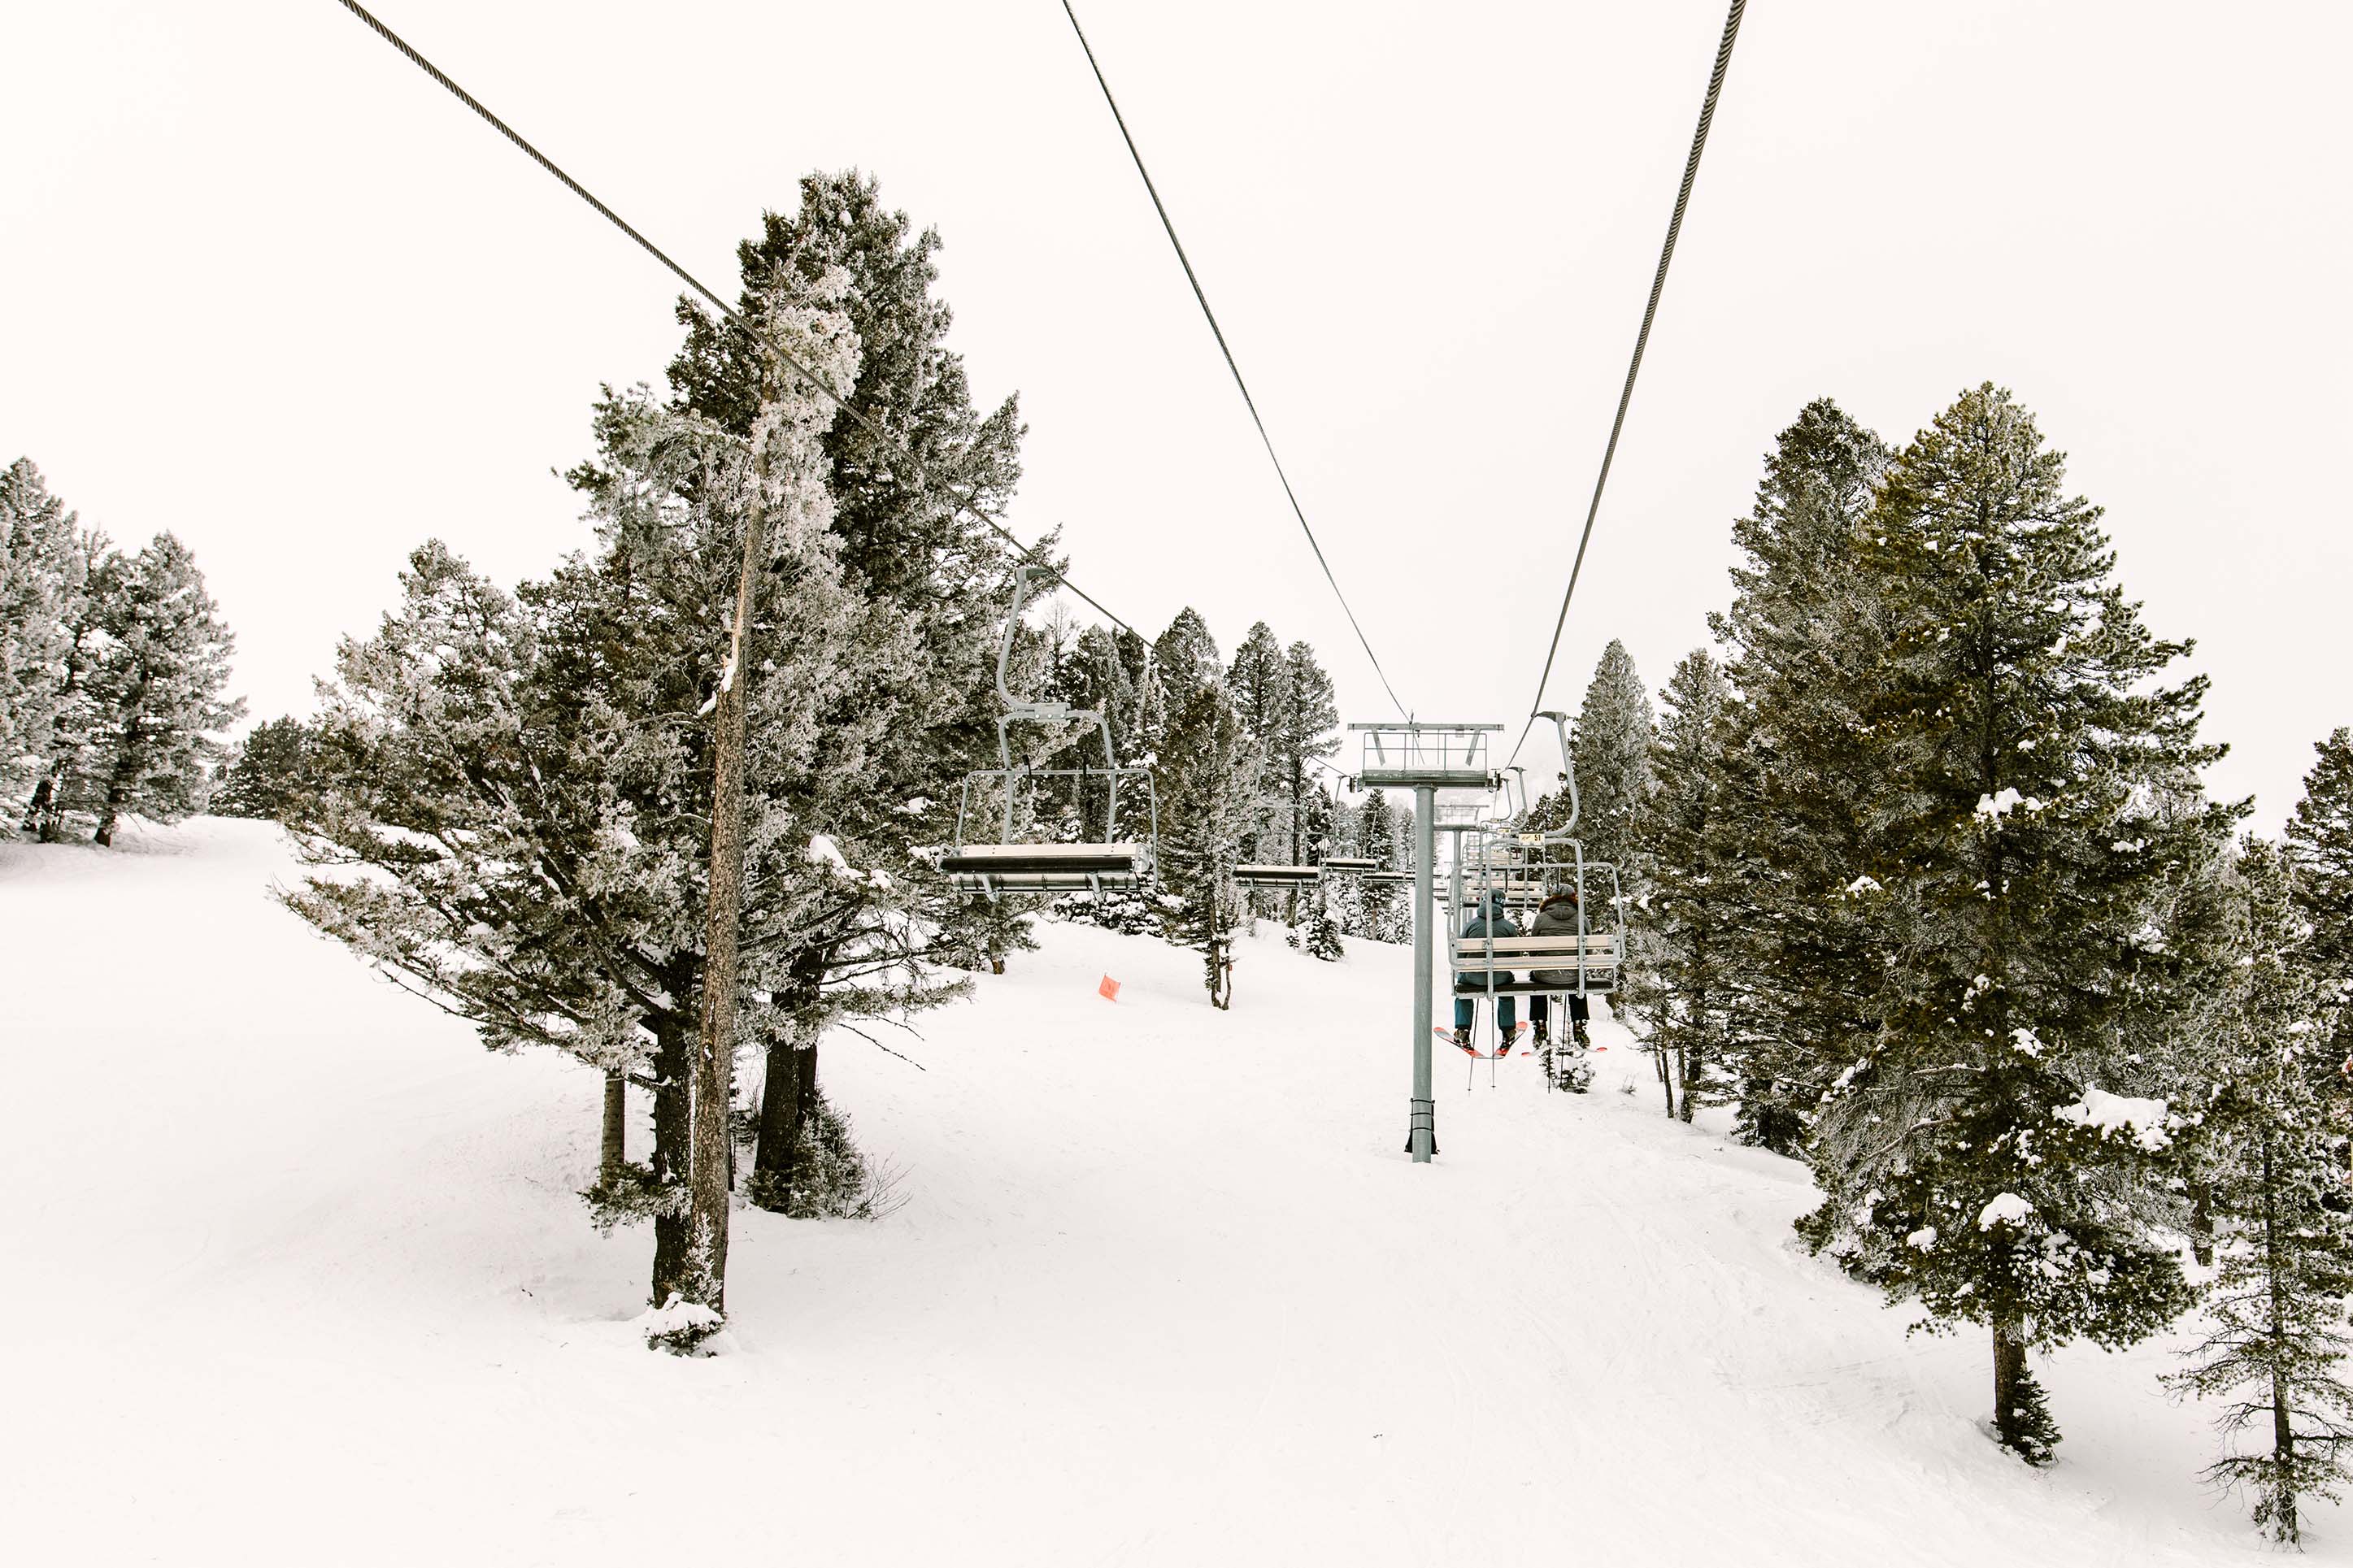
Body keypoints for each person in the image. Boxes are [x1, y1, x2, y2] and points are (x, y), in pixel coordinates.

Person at [1527, 888, 1593, 1049]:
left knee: (1536, 980)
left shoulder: (1541, 918)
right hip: (1573, 974)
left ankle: (1540, 1025)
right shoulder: (1581, 918)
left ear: (1552, 898)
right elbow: (1589, 949)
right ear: (1573, 898)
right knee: (1579, 978)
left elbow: (1533, 948)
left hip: (1544, 976)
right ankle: (1579, 1025)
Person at [1454, 890, 1519, 1049]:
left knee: (1463, 993)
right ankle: (1508, 1030)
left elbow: (1460, 954)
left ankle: (1463, 1029)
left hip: (1473, 978)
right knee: (1506, 994)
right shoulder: (1509, 927)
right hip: (1500, 978)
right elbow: (1515, 956)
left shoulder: (1471, 925)